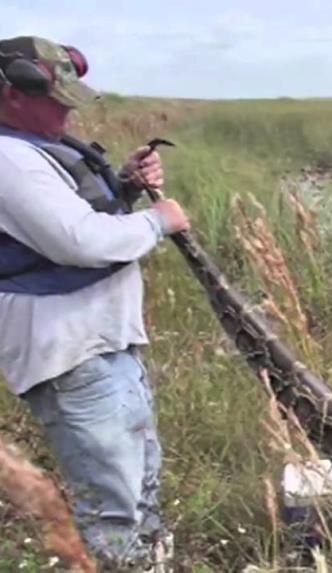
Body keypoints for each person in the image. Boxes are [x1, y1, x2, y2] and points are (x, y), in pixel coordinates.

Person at [0, 36, 189, 568]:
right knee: (114, 500)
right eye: (56, 99)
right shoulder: (8, 158)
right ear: (12, 93)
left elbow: (69, 220)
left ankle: (150, 563)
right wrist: (157, 221)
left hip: (101, 339)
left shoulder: (30, 145)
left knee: (140, 475)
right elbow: (79, 242)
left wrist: (124, 188)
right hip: (69, 349)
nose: (65, 110)